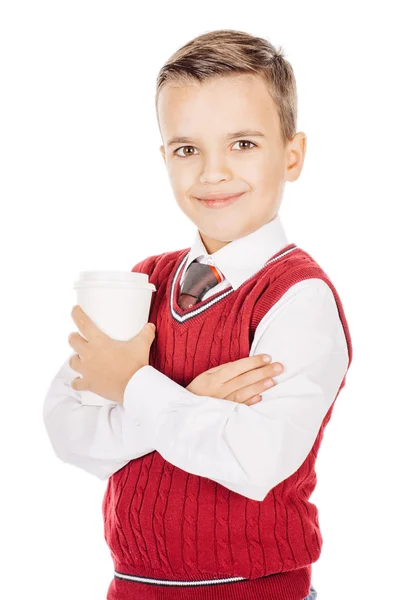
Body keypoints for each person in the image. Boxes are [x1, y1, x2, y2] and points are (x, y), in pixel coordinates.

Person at [43, 29, 352, 600]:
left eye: (243, 144)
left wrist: (131, 384)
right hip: (132, 588)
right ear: (164, 158)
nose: (212, 172)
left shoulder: (298, 298)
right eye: (187, 149)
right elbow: (70, 431)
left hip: (258, 590)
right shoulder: (140, 283)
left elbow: (252, 459)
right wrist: (191, 403)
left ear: (293, 154)